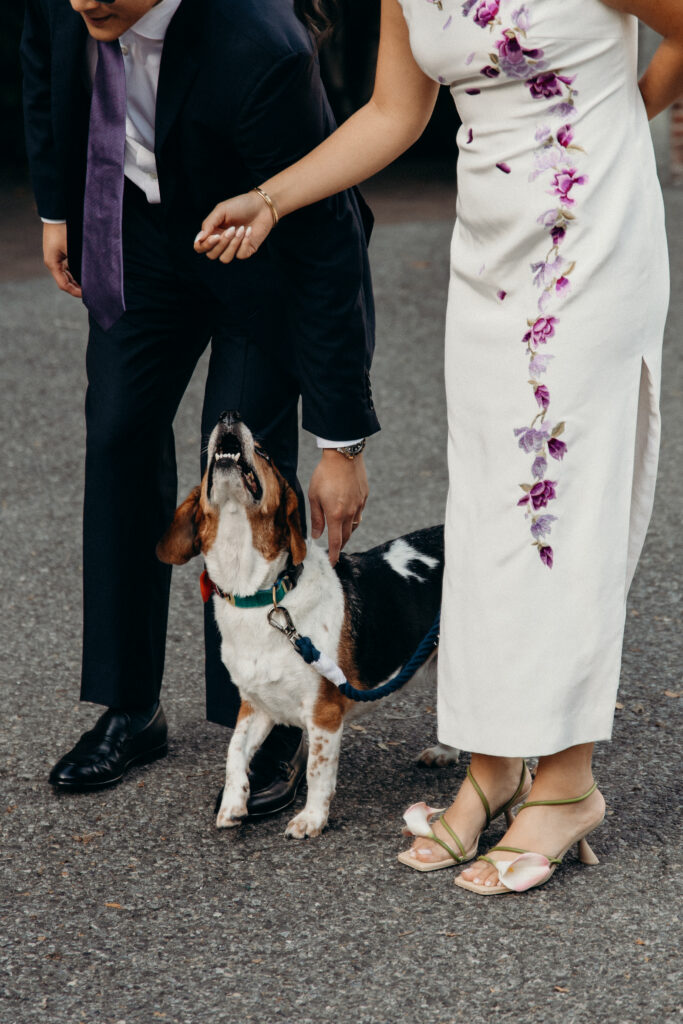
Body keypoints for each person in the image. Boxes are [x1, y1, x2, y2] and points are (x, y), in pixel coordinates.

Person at [194, 0, 682, 893]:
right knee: (493, 508)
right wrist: (270, 199)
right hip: (490, 251)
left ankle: (566, 782)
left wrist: (611, 127)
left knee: (561, 504)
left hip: (594, 240)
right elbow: (395, 111)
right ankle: (495, 767)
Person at [20, 0, 379, 811]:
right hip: (138, 241)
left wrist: (343, 441)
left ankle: (271, 715)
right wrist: (56, 209)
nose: (89, 1)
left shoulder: (262, 44)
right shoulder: (70, 3)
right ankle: (129, 707)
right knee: (115, 436)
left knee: (245, 476)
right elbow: (46, 82)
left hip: (258, 253)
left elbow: (327, 242)